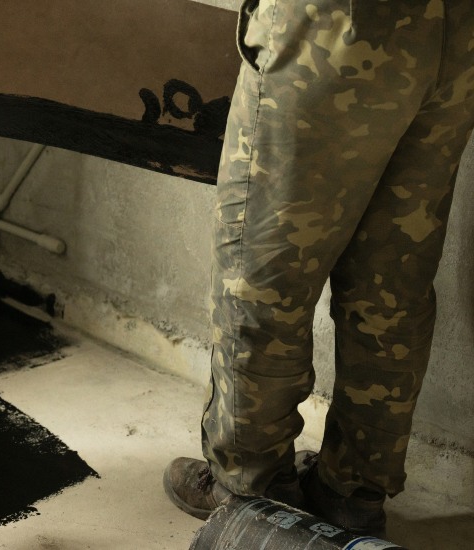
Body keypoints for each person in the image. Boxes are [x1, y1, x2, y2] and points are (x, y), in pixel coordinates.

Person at [164, 0, 474, 538]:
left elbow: (260, 284)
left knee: (262, 275)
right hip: (457, 33)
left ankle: (251, 494)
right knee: (392, 285)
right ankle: (353, 493)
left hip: (338, 25)